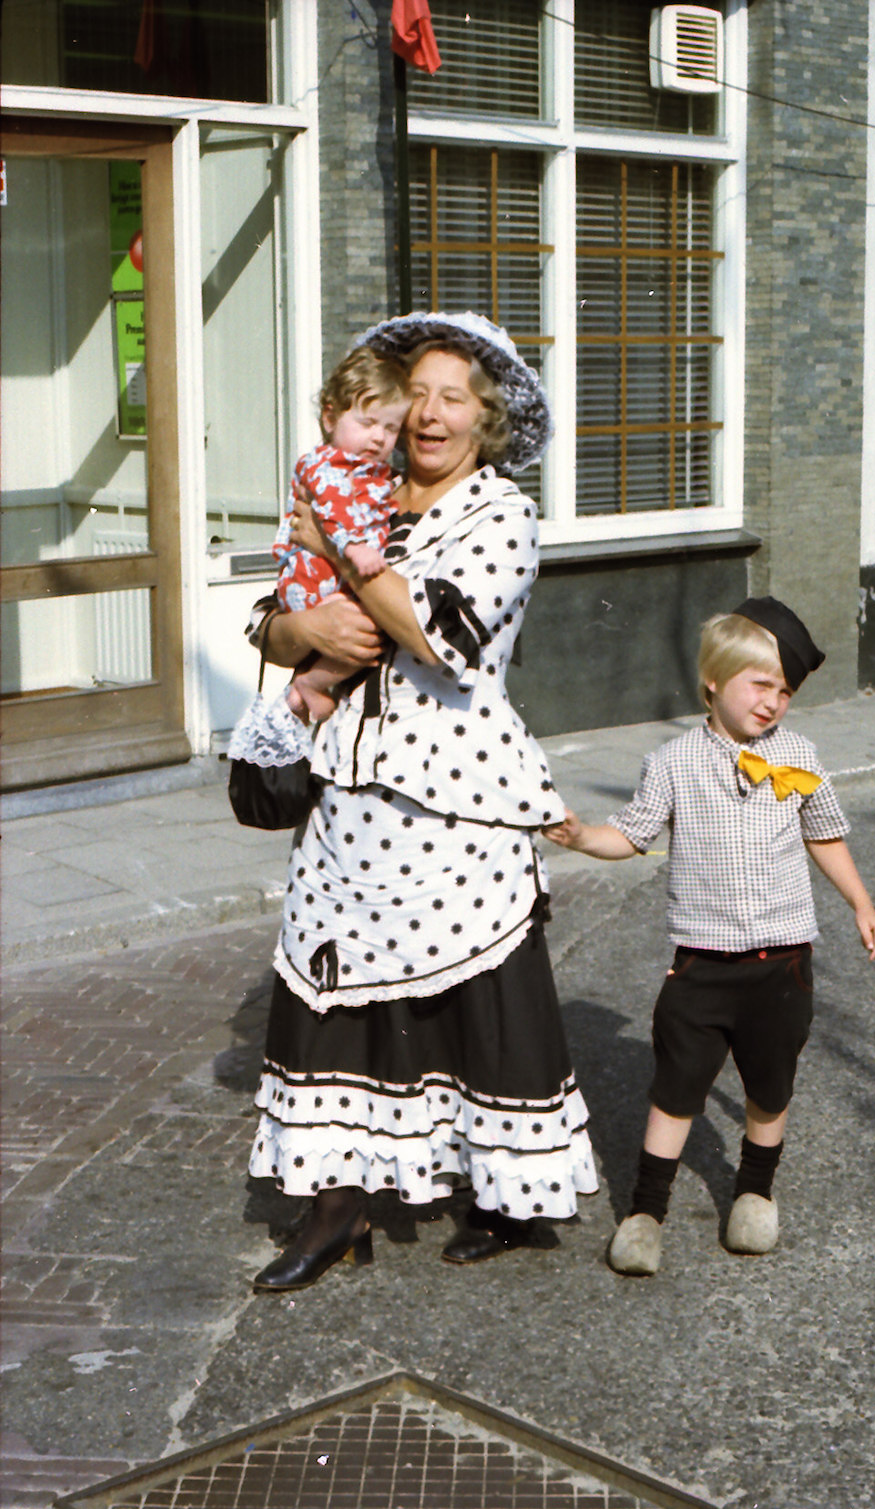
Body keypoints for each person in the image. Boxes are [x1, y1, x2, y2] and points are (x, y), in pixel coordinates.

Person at [245, 311, 598, 1292]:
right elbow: (270, 621)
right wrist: (301, 621)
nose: (431, 416)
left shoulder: (501, 517)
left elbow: (438, 637)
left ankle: (504, 1195)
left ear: (485, 422)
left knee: (474, 999)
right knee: (331, 992)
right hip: (346, 794)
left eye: (454, 399)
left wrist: (350, 557)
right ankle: (336, 1210)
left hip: (457, 801)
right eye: (420, 398)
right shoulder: (362, 488)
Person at [543, 597, 875, 1274]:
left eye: (784, 691)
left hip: (781, 961)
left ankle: (754, 1194)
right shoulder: (672, 762)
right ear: (713, 681)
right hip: (700, 963)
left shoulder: (799, 754)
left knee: (769, 1084)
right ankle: (645, 1212)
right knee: (675, 1088)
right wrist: (583, 837)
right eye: (761, 685)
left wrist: (860, 902)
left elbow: (825, 834)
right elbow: (633, 834)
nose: (773, 703)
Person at [271, 347, 412, 724]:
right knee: (368, 632)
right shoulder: (325, 464)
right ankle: (312, 685)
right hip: (314, 575)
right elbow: (331, 511)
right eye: (368, 423)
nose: (379, 438)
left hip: (329, 576)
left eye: (390, 427)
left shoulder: (369, 469)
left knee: (362, 632)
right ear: (330, 418)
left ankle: (302, 688)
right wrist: (353, 548)